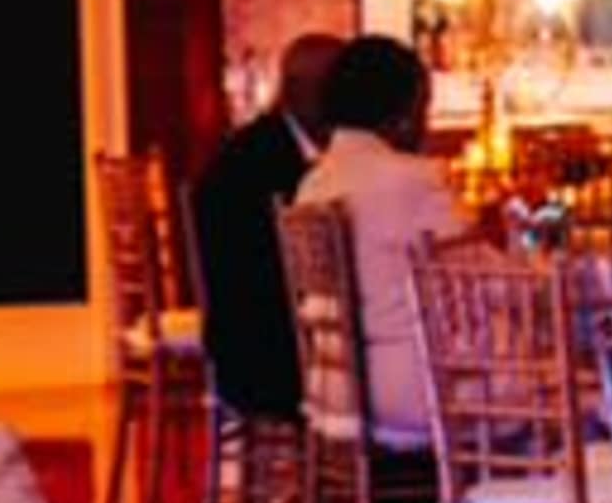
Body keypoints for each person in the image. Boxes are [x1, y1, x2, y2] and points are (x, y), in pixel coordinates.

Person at [291, 35, 466, 452]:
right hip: (412, 391)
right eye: (424, 108)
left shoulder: (313, 182)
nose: (426, 124)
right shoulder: (411, 178)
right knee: (575, 391)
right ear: (403, 115)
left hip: (334, 388)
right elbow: (480, 281)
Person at [191, 31, 345, 419]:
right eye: (341, 88)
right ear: (302, 91)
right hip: (268, 360)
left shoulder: (271, 145)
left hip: (249, 344)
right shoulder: (266, 166)